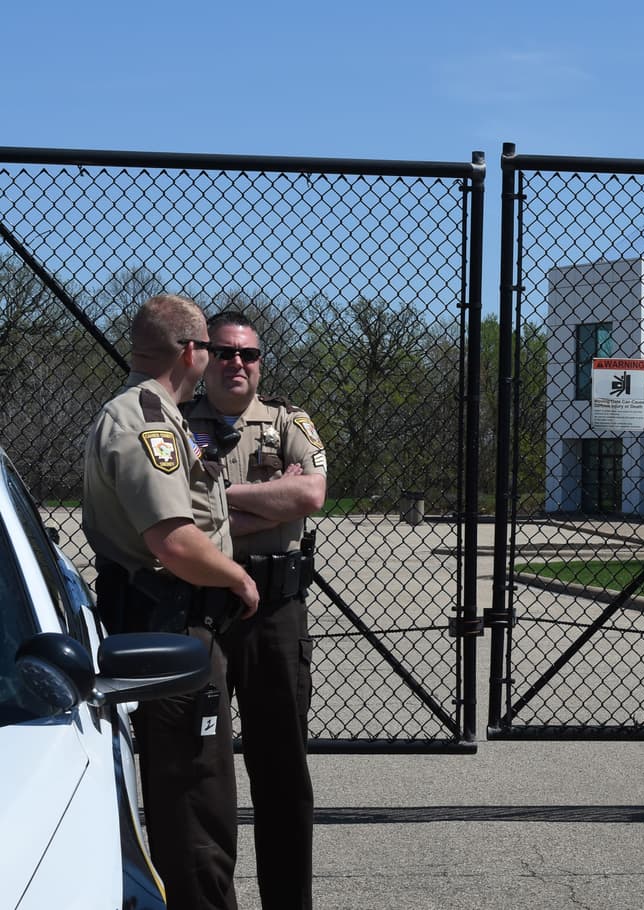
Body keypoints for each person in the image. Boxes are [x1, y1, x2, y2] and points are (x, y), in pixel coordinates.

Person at [83, 293, 260, 910]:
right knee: (195, 805)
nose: (213, 359)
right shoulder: (146, 422)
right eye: (209, 347)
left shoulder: (161, 416)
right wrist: (238, 578)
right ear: (190, 351)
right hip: (173, 629)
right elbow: (175, 542)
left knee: (192, 800)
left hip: (178, 626)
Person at [183, 310, 327, 910]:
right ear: (202, 358)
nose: (236, 363)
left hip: (275, 613)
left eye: (248, 354)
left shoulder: (288, 421)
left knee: (282, 773)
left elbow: (311, 492)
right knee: (201, 775)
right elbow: (175, 523)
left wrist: (216, 500)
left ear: (261, 363)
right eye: (224, 352)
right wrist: (271, 500)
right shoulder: (175, 423)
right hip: (201, 614)